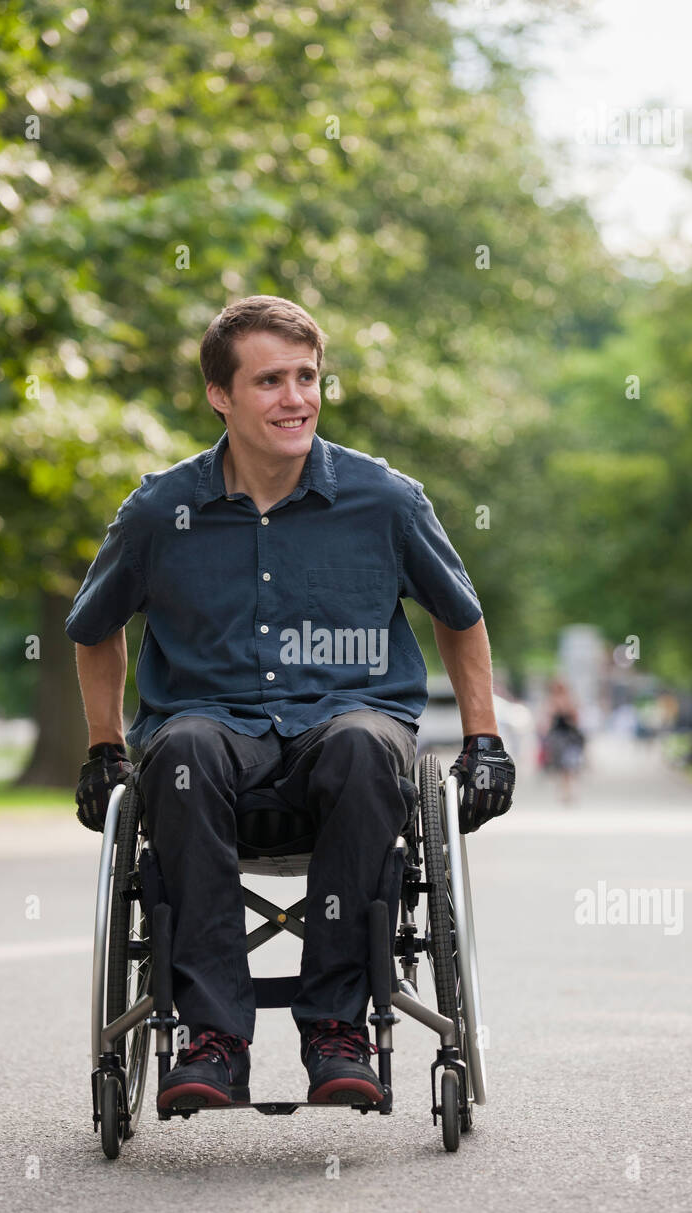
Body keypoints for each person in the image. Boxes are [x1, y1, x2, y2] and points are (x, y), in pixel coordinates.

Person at [68, 295, 515, 1110]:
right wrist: (104, 749)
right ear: (220, 396)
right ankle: (211, 1040)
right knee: (185, 747)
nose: (296, 397)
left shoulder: (384, 500)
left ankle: (339, 1030)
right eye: (270, 380)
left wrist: (484, 741)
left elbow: (462, 616)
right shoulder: (158, 512)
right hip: (211, 749)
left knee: (364, 742)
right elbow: (93, 628)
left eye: (307, 377)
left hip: (344, 744)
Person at [540, 678, 585, 803]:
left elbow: (576, 718)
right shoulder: (551, 701)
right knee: (560, 766)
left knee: (570, 765)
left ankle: (569, 791)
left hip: (569, 737)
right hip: (557, 737)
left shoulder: (571, 701)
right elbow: (547, 719)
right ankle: (564, 791)